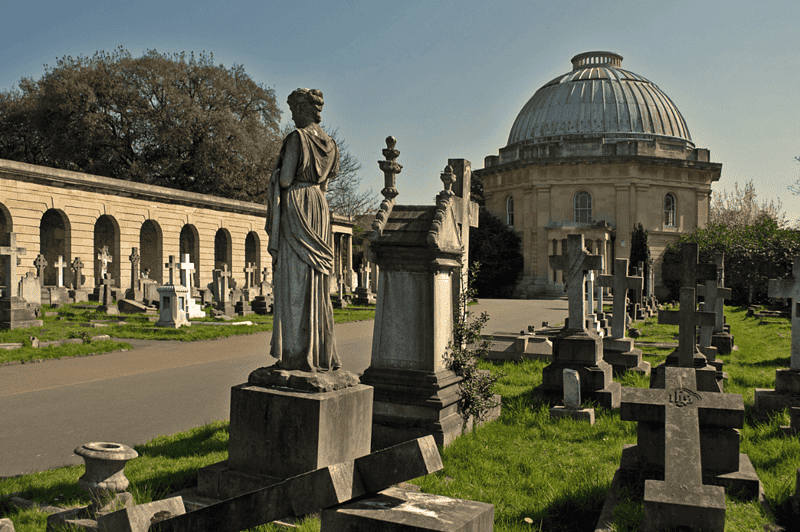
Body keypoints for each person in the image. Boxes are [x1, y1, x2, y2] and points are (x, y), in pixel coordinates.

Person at [265, 88, 340, 371]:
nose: (292, 115)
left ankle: (296, 355)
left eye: (294, 110)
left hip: (296, 204)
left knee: (294, 282)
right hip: (319, 207)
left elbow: (285, 180)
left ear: (304, 109)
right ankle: (320, 353)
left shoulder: (297, 138)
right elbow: (324, 186)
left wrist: (276, 171)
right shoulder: (331, 144)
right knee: (316, 282)